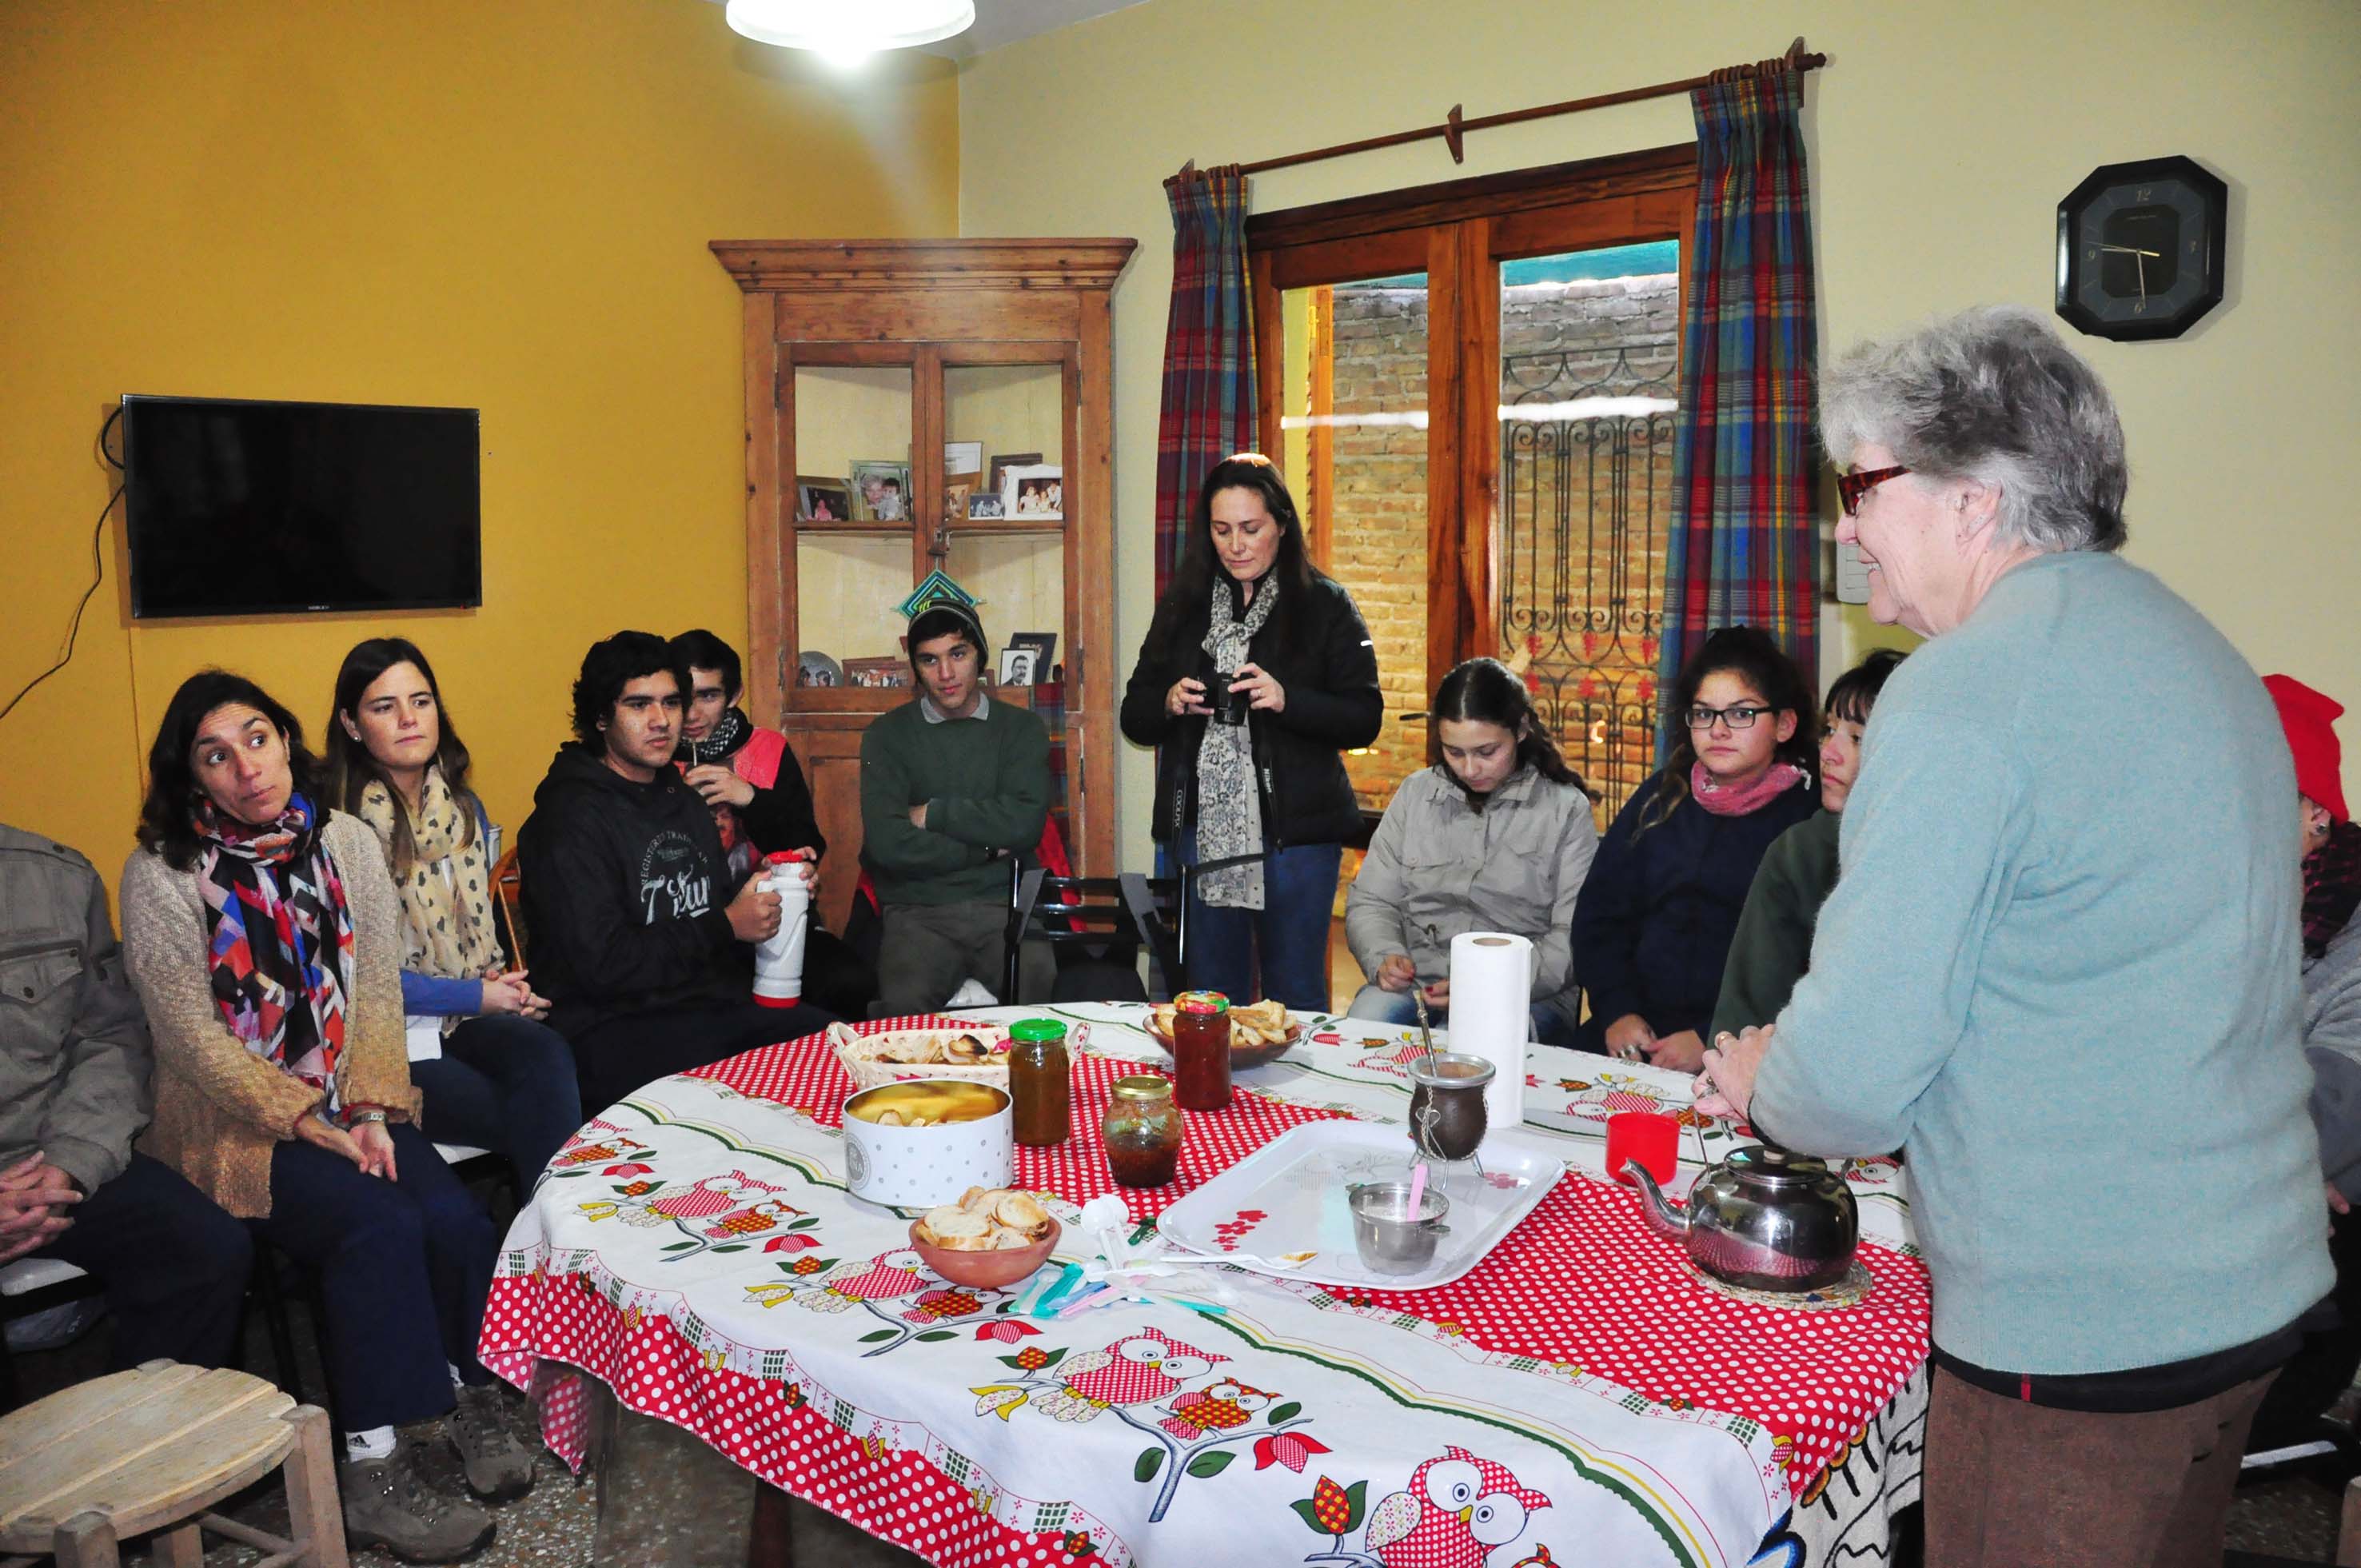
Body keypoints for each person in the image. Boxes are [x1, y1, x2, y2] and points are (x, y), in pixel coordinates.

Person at [1695, 307, 2329, 1567]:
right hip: (2249, 1285)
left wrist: (1770, 1074)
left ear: (1972, 502)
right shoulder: (2197, 652)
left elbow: (1848, 1084)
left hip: (2084, 1328)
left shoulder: (1965, 689)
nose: (1844, 524)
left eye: (1862, 486)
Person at [120, 671, 534, 1563]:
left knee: (453, 1216)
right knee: (374, 1225)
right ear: (191, 776)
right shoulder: (162, 871)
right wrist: (304, 1114)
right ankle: (371, 1464)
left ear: (287, 739)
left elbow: (375, 988)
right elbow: (187, 1036)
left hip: (355, 1098)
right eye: (215, 754)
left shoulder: (342, 838)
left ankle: (469, 1400)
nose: (246, 767)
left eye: (258, 738)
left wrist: (378, 1106)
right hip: (235, 1123)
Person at [518, 633, 837, 1112]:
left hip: (703, 1005)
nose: (660, 720)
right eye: (638, 704)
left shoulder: (683, 798)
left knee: (835, 1049)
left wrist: (758, 891)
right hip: (608, 1026)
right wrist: (728, 923)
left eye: (671, 702)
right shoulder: (568, 820)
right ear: (602, 717)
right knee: (767, 1085)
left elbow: (705, 909)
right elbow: (605, 965)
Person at [1119, 453, 1382, 1011]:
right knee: (1211, 999)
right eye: (1221, 530)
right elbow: (1134, 715)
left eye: (1250, 528)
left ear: (1281, 526)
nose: (1235, 544)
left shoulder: (1324, 604)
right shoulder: (1184, 605)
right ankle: (1217, 1099)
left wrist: (1288, 700)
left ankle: (1306, 1101)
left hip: (1298, 836)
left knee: (1295, 997)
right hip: (1206, 831)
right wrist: (1168, 702)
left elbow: (1364, 715)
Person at [325, 637, 584, 1183]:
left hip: (462, 1015)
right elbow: (359, 978)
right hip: (378, 1042)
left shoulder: (463, 808)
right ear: (352, 725)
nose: (408, 719)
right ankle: (551, 1250)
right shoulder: (339, 832)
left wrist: (498, 985)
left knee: (547, 1053)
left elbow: (477, 935)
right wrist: (479, 994)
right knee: (530, 1116)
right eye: (383, 706)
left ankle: (549, 1247)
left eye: (421, 701)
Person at [1, 822, 253, 1371]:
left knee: (204, 1248)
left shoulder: (54, 874)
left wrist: (71, 1163)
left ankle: (161, 1447)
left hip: (46, 1153)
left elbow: (110, 1035)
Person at [1567, 625, 1818, 1069]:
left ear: (1784, 724)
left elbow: (1805, 967)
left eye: (1741, 714)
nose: (1718, 730)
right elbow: (1600, 916)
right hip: (1632, 1037)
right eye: (1703, 714)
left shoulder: (1806, 823)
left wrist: (1712, 1036)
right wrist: (1617, 1010)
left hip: (1747, 1049)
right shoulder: (1661, 799)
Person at [1342, 657, 1597, 1044]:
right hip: (1419, 984)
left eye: (1487, 751)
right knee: (1365, 1025)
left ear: (1522, 729)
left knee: (1471, 1042)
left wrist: (1485, 985)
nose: (1470, 769)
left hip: (1525, 996)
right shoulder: (1416, 794)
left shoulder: (1564, 809)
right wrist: (1383, 956)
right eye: (1454, 752)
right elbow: (1373, 901)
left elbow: (1573, 939)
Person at [2248, 673, 2361, 1453]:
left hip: (2319, 1278)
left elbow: (2331, 1115)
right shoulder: (2204, 909)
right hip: (2243, 1218)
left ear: (2314, 813)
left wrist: (2293, 1160)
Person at [669, 628, 876, 1019]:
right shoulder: (653, 754)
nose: (693, 714)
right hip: (690, 929)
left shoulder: (767, 748)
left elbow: (806, 844)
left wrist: (749, 798)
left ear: (735, 695)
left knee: (851, 982)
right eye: (681, 697)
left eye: (708, 696)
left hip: (774, 918)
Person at [858, 604, 1053, 1013]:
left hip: (1006, 907)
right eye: (930, 660)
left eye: (958, 654)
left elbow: (1023, 826)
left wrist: (933, 814)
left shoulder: (1022, 729)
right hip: (916, 911)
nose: (945, 674)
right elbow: (887, 845)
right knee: (899, 1015)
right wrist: (984, 849)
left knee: (1039, 1000)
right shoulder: (887, 735)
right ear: (916, 667)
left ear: (979, 655)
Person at [1709, 649, 1904, 1042]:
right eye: (1829, 730)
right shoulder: (1800, 853)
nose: (1829, 753)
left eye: (1857, 738)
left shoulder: (1945, 855)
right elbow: (1747, 1013)